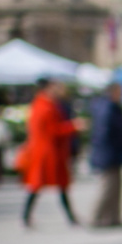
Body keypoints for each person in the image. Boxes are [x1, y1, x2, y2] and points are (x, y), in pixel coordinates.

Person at [20, 78, 86, 228]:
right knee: (39, 185)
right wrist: (73, 126)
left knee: (55, 186)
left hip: (49, 152)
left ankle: (70, 217)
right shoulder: (45, 107)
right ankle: (26, 216)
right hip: (47, 153)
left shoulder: (44, 104)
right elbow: (53, 130)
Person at [88, 82, 122, 228]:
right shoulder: (108, 108)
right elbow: (104, 134)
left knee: (116, 187)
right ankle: (97, 217)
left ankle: (114, 218)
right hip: (109, 154)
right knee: (108, 187)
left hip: (113, 153)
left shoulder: (108, 106)